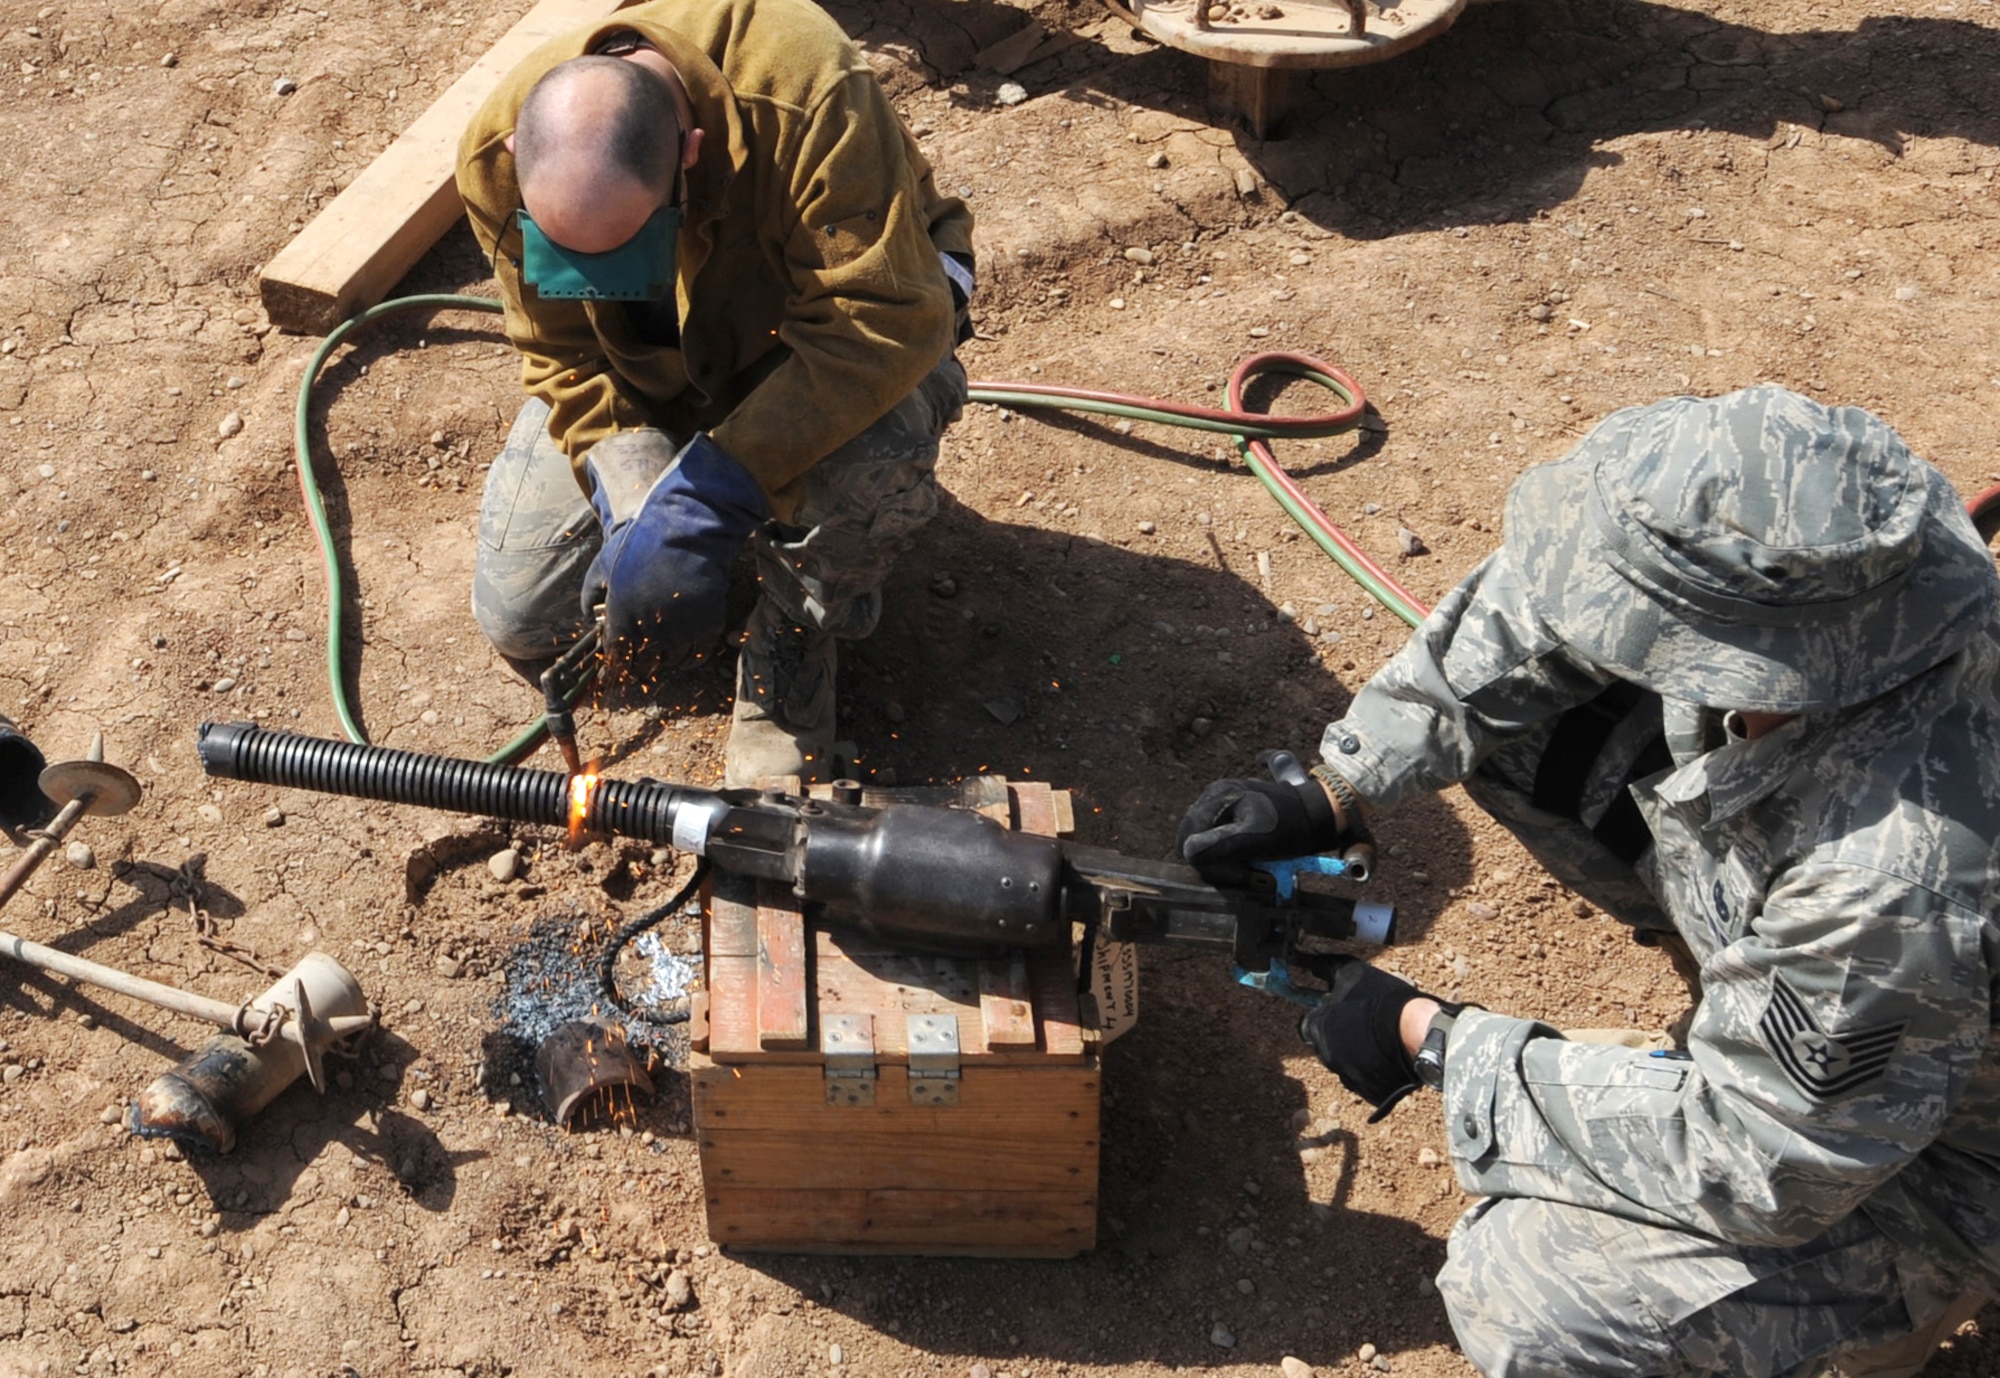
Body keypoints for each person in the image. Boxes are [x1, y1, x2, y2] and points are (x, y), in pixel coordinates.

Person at [1178, 386, 2000, 1377]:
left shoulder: (1892, 874)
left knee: (1533, 1294)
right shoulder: (1861, 585)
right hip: (1856, 988)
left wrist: (1434, 1042)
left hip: (1937, 1166)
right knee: (1522, 721)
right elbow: (1542, 606)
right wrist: (1342, 779)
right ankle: (1756, 1014)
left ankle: (1904, 1298)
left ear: (1761, 655)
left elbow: (1761, 1163)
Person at [456, 0, 974, 785]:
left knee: (873, 453)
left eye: (633, 246)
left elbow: (887, 322)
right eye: (580, 258)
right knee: (525, 617)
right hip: (661, 363)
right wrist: (629, 492)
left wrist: (709, 496)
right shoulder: (496, 155)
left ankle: (795, 639)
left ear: (691, 153)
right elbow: (559, 349)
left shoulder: (805, 89)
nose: (605, 279)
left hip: (827, 338)